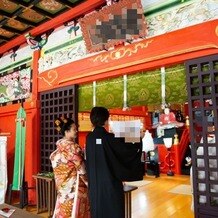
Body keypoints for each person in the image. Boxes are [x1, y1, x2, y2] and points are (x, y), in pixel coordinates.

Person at [85, 106, 144, 218]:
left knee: (97, 210)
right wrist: (139, 139)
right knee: (112, 210)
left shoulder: (89, 138)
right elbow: (126, 151)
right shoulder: (109, 138)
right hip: (109, 184)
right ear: (106, 120)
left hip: (94, 185)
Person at [50, 117, 90, 218]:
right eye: (74, 129)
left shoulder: (59, 148)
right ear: (66, 132)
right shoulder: (73, 148)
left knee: (63, 210)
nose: (76, 131)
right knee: (75, 211)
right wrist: (88, 182)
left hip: (63, 186)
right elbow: (81, 169)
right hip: (74, 187)